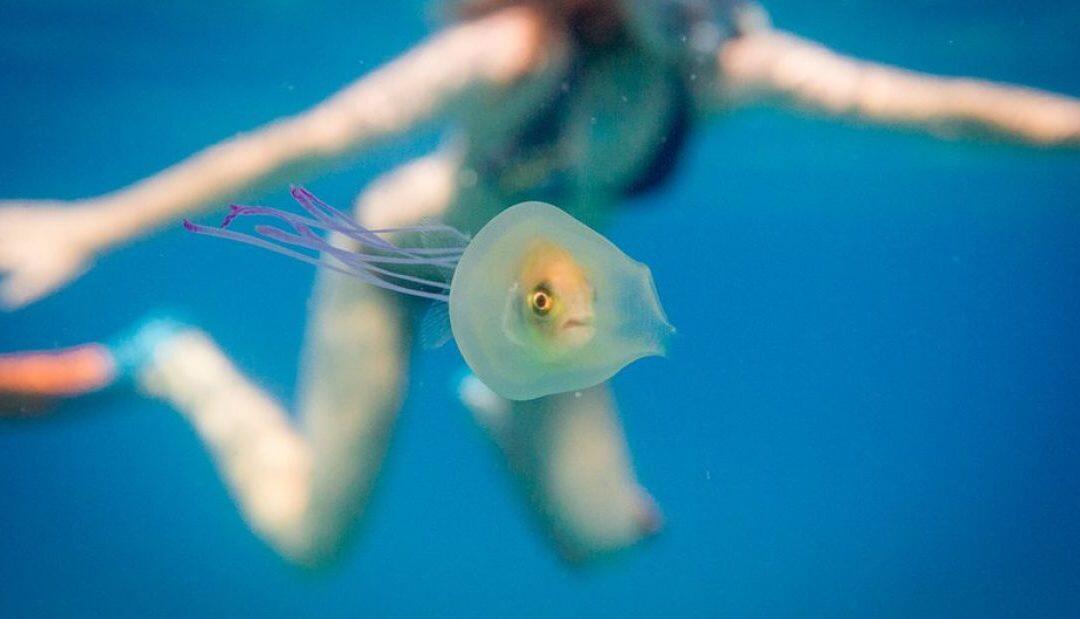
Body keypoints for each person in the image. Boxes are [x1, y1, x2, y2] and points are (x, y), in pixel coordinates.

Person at [1, 0, 1077, 566]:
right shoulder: (506, 51)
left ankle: (499, 400)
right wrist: (98, 222)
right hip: (392, 272)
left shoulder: (730, 65)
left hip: (539, 316)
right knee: (309, 543)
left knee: (604, 542)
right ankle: (171, 362)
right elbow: (302, 141)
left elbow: (935, 105)